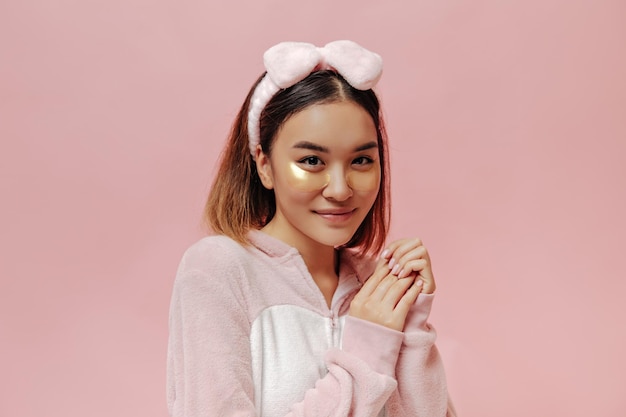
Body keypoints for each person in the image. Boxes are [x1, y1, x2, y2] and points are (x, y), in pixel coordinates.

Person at [167, 40, 456, 417]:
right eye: (312, 160)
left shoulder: (376, 285)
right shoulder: (218, 270)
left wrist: (413, 325)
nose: (340, 189)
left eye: (362, 160)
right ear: (264, 165)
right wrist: (367, 346)